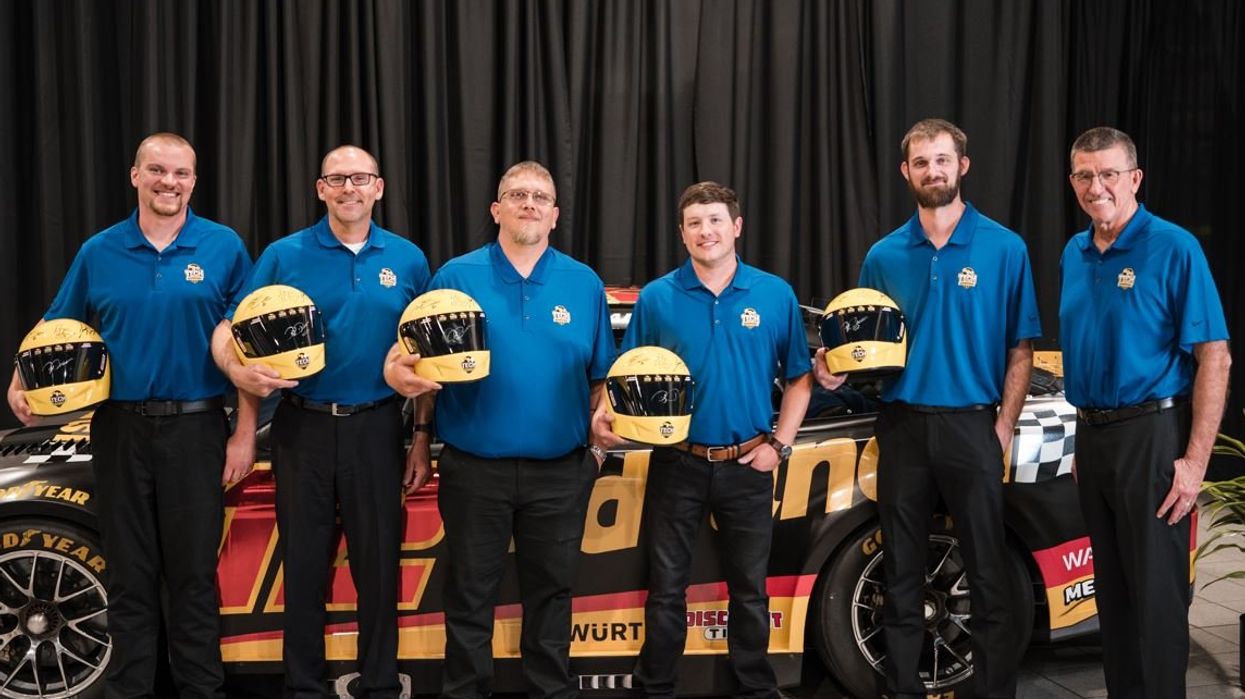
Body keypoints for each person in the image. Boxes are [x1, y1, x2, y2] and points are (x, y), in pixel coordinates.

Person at [5, 132, 253, 698]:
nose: (170, 182)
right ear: (136, 175)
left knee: (192, 577)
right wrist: (20, 374)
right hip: (119, 428)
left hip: (197, 428)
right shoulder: (100, 250)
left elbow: (247, 348)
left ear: (194, 180)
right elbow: (57, 321)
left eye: (182, 173)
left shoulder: (224, 247)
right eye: (158, 170)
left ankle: (201, 691)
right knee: (129, 576)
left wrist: (242, 433)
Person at [814, 118, 1040, 699]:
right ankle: (903, 691)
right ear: (906, 172)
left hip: (973, 425)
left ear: (962, 166)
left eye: (943, 160)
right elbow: (865, 357)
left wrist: (1003, 426)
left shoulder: (1004, 248)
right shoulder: (884, 256)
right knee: (902, 574)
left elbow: (1021, 347)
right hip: (903, 427)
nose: (932, 171)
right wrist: (832, 371)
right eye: (921, 163)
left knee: (989, 574)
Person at [385, 161, 614, 699]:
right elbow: (412, 365)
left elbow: (600, 377)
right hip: (473, 469)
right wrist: (415, 419)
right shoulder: (455, 278)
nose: (528, 203)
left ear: (555, 215)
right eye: (517, 194)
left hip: (560, 473)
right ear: (496, 209)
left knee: (551, 596)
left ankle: (549, 691)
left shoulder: (582, 284)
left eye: (540, 196)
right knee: (468, 596)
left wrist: (599, 438)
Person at [213, 145, 433, 698]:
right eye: (337, 179)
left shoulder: (407, 259)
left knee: (378, 569)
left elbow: (425, 357)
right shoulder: (284, 256)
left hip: (379, 429)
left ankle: (380, 685)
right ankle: (304, 686)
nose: (349, 188)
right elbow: (241, 346)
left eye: (360, 179)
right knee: (305, 568)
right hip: (302, 428)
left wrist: (421, 437)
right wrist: (244, 429)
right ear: (321, 189)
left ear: (378, 188)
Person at [592, 181, 812, 699]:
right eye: (694, 223)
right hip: (677, 463)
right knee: (666, 590)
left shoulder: (774, 294)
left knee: (751, 592)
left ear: (736, 227)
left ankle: (755, 688)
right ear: (682, 233)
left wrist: (778, 445)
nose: (705, 231)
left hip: (747, 463)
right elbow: (627, 378)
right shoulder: (658, 297)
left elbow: (800, 377)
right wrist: (606, 420)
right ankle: (657, 687)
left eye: (715, 220)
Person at [1059, 127, 1231, 698]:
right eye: (1085, 175)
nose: (1096, 185)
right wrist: (1088, 440)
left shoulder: (1174, 247)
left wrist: (1195, 462)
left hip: (1154, 437)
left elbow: (1215, 357)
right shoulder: (1074, 252)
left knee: (1157, 598)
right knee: (1113, 597)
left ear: (1134, 179)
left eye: (1108, 173)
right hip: (1095, 439)